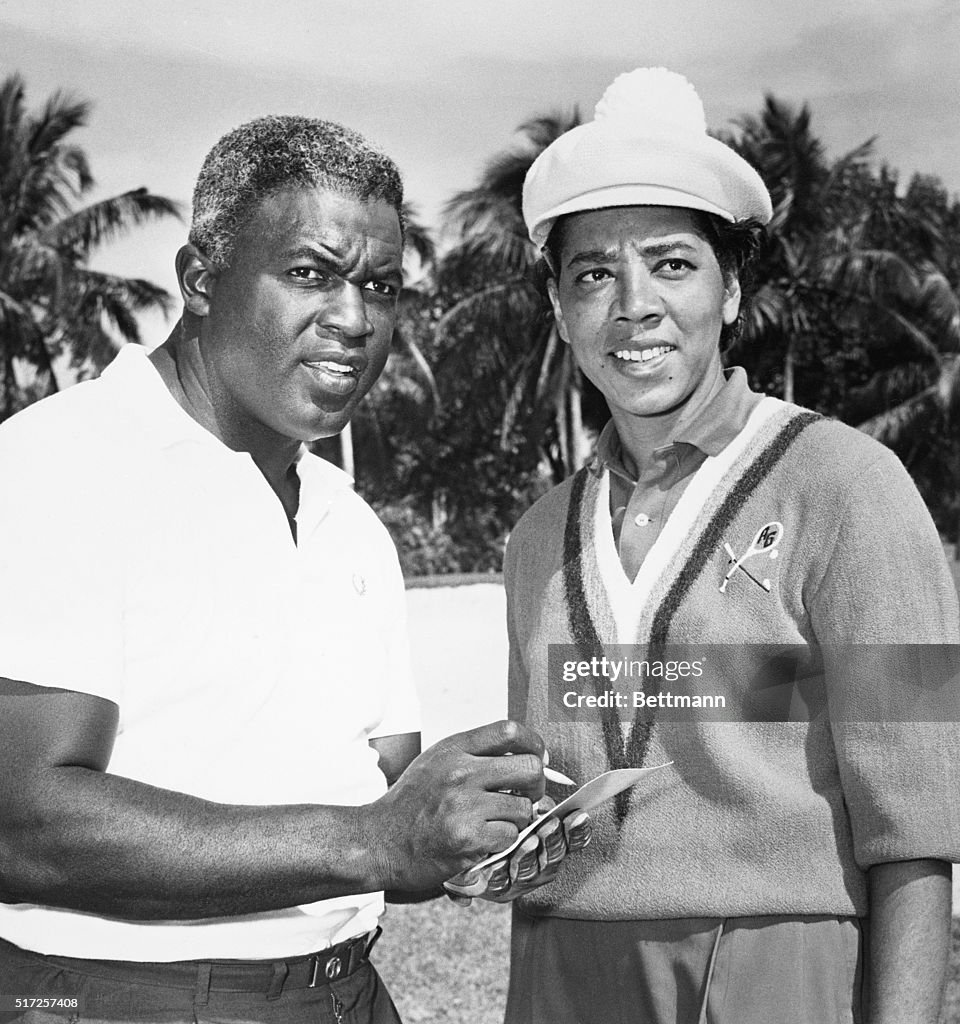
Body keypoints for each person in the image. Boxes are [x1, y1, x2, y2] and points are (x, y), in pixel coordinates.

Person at [0, 115, 584, 1024]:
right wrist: (374, 841)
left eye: (381, 286)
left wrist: (467, 833)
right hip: (117, 997)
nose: (353, 319)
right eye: (310, 273)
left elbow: (381, 804)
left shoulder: (351, 525)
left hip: (346, 990)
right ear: (199, 279)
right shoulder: (61, 462)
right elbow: (21, 820)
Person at [503, 68, 960, 1024]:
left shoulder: (850, 485)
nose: (634, 305)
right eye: (593, 273)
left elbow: (918, 824)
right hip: (561, 969)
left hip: (774, 967)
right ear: (557, 307)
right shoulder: (536, 536)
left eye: (672, 263)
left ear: (732, 288)